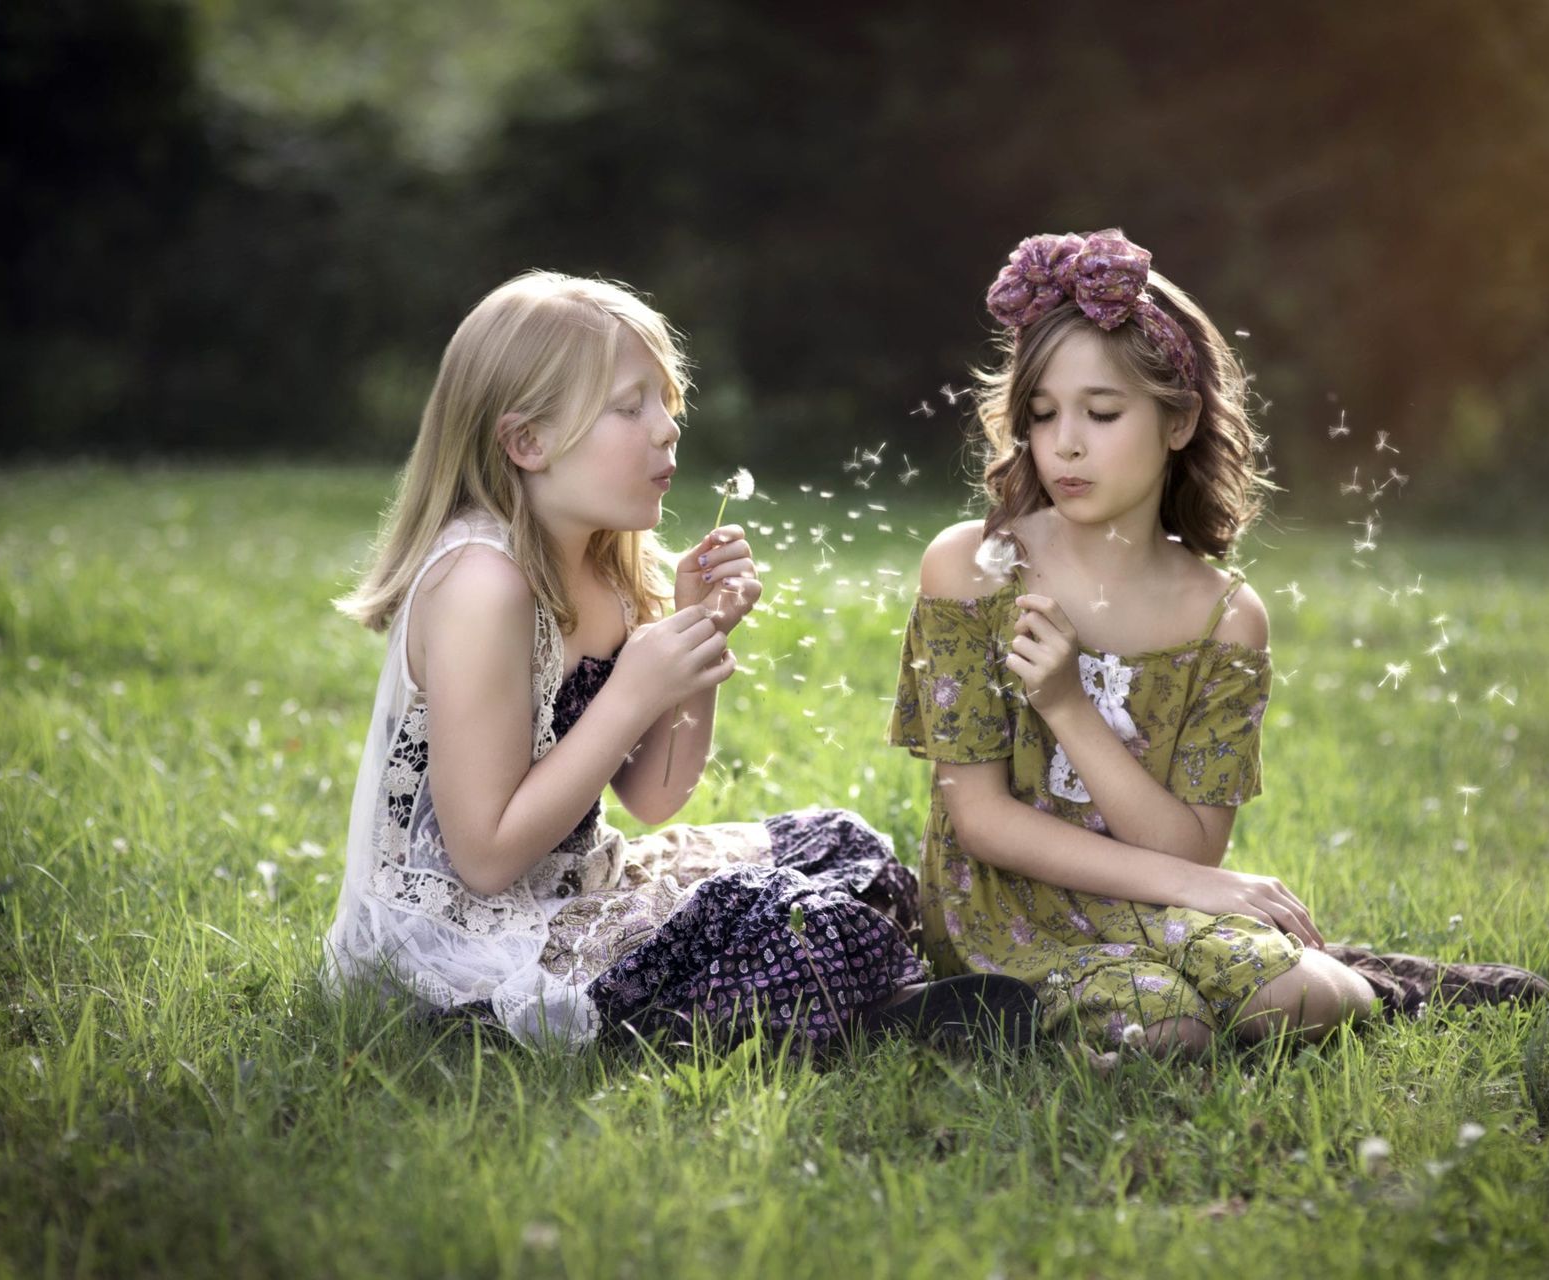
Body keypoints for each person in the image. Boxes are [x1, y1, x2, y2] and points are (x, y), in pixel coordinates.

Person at [325, 270, 1034, 1050]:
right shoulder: (481, 586)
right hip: (462, 944)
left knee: (848, 850)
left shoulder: (608, 565)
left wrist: (698, 631)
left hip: (576, 884)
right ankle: (871, 1010)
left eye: (666, 402)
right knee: (798, 925)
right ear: (526, 442)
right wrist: (632, 691)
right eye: (630, 407)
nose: (666, 428)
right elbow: (487, 858)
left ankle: (856, 998)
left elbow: (656, 797)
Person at [889, 230, 1549, 1055]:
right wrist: (1199, 887)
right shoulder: (974, 568)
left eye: (1101, 413)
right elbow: (983, 822)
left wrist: (1071, 709)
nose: (1064, 442)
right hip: (1001, 908)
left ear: (1179, 423)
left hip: (1158, 893)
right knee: (1168, 1029)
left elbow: (1190, 847)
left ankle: (1369, 980)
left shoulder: (1225, 619)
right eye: (1042, 413)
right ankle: (1006, 1017)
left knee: (1306, 995)